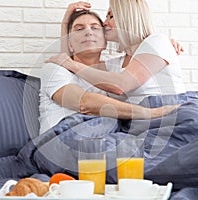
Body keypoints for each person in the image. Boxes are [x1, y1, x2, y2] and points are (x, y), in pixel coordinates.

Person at [39, 10, 179, 134]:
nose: (88, 32)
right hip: (61, 137)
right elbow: (84, 103)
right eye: (79, 29)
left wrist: (163, 45)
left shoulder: (110, 73)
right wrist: (149, 113)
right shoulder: (55, 68)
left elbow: (127, 72)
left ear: (105, 42)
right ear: (69, 43)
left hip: (102, 137)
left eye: (95, 28)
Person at [47, 0, 186, 105]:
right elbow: (70, 65)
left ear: (128, 18)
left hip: (172, 117)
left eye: (111, 16)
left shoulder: (157, 42)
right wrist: (66, 23)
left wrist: (69, 64)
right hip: (144, 127)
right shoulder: (115, 65)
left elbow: (121, 85)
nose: (105, 23)